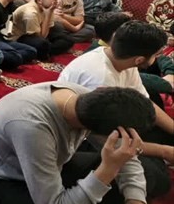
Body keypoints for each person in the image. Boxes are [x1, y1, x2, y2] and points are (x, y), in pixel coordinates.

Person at [0, 83, 157, 204]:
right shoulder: (31, 126)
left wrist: (135, 200)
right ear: (107, 135)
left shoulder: (90, 102)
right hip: (3, 178)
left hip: (51, 162)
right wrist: (109, 169)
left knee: (150, 174)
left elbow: (126, 155)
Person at [59, 21, 173, 167]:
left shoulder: (123, 60)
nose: (156, 58)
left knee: (158, 121)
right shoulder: (100, 78)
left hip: (110, 119)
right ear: (139, 59)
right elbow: (101, 138)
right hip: (82, 137)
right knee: (152, 171)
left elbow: (145, 102)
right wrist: (164, 152)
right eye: (155, 55)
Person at [7, 0, 75, 60]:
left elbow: (49, 27)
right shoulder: (31, 13)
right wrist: (48, 13)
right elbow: (41, 37)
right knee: (42, 43)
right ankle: (45, 52)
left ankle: (47, 51)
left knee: (68, 39)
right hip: (22, 36)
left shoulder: (48, 6)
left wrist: (49, 12)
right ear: (39, 0)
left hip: (40, 30)